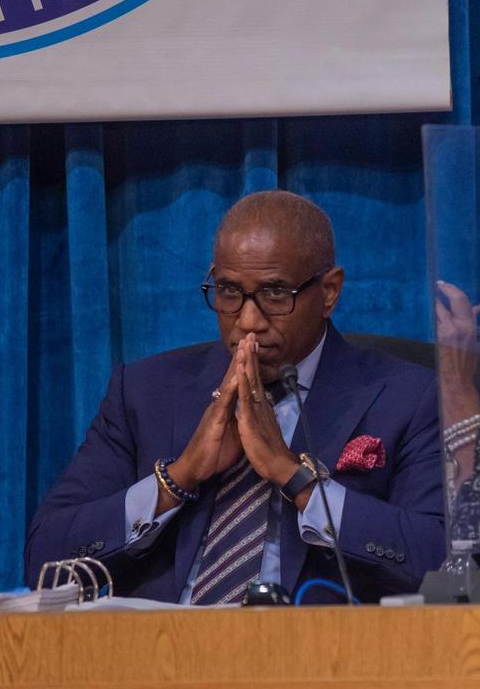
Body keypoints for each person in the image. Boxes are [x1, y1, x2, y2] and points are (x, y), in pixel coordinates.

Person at [24, 191, 445, 603]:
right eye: (228, 292)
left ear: (329, 291)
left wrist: (294, 478)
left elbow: (444, 565)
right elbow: (44, 559)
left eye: (276, 294)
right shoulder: (144, 391)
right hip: (160, 656)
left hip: (314, 657)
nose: (247, 321)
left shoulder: (408, 397)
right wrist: (180, 477)